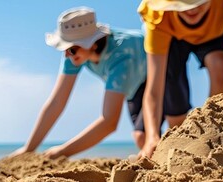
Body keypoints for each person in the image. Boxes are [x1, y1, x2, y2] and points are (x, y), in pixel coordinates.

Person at [9, 7, 152, 158]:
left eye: (72, 48)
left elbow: (109, 122)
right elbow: (57, 102)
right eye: (64, 48)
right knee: (142, 139)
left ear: (93, 43)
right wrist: (28, 149)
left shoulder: (120, 57)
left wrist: (63, 151)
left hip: (161, 74)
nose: (66, 54)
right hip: (134, 86)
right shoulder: (75, 55)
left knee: (143, 138)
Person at [137, 0, 223, 158]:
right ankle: (183, 149)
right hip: (172, 39)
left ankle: (216, 134)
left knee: (220, 65)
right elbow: (154, 89)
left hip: (215, 34)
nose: (192, 9)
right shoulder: (158, 16)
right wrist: (151, 137)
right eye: (185, 3)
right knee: (174, 100)